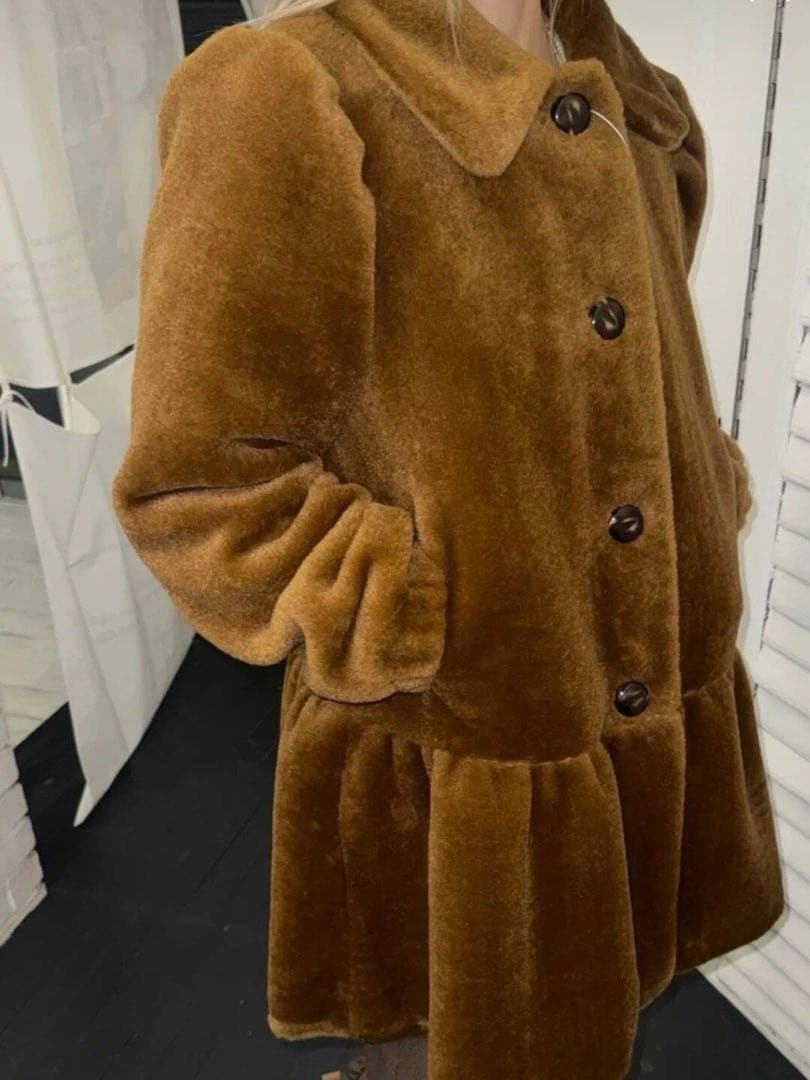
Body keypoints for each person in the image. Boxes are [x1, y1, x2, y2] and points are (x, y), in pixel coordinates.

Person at [111, 0, 785, 1076]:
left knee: (597, 1005)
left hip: (651, 689)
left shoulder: (623, 80)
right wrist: (404, 613)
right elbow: (199, 481)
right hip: (463, 749)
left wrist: (702, 474)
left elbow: (625, 338)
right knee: (455, 1039)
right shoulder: (290, 86)